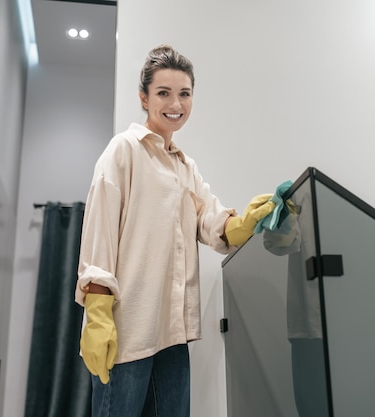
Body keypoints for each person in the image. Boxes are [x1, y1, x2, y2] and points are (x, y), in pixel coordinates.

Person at [75, 44, 275, 417]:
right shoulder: (124, 151)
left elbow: (211, 221)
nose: (175, 103)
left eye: (184, 93)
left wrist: (244, 222)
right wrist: (99, 313)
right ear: (144, 98)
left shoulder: (185, 167)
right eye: (163, 93)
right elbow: (99, 232)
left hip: (172, 333)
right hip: (127, 331)